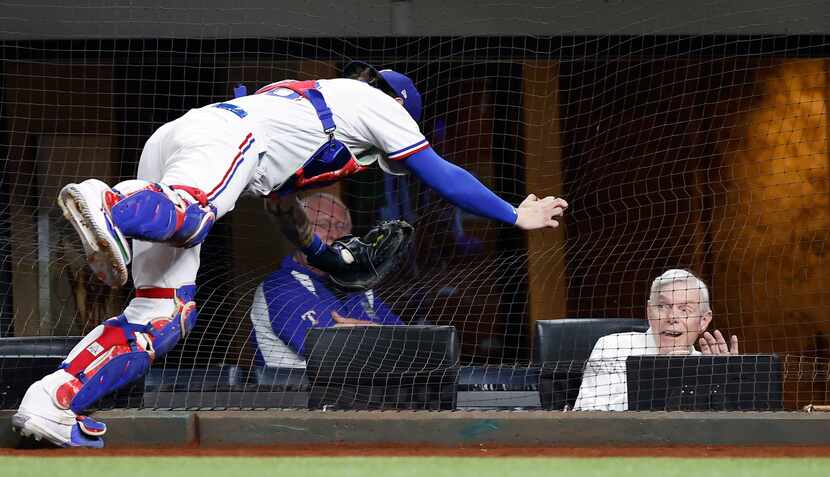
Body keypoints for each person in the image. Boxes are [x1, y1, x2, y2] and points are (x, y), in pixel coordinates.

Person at [12, 61, 568, 447]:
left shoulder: (307, 122)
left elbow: (285, 214)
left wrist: (330, 259)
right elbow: (441, 173)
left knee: (164, 313)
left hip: (189, 139)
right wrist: (515, 214)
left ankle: (53, 399)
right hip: (225, 140)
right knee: (194, 213)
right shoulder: (376, 101)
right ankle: (111, 201)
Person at [250, 192, 402, 368]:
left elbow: (409, 342)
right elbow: (337, 353)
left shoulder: (358, 287)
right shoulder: (279, 287)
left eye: (341, 226)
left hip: (363, 392)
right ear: (299, 231)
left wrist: (369, 334)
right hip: (296, 394)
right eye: (323, 224)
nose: (335, 234)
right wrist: (379, 333)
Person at [573, 269, 739, 411]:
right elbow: (586, 416)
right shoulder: (612, 347)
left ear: (703, 320)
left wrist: (727, 380)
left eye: (684, 309)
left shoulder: (710, 366)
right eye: (662, 306)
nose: (672, 317)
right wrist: (663, 374)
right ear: (648, 311)